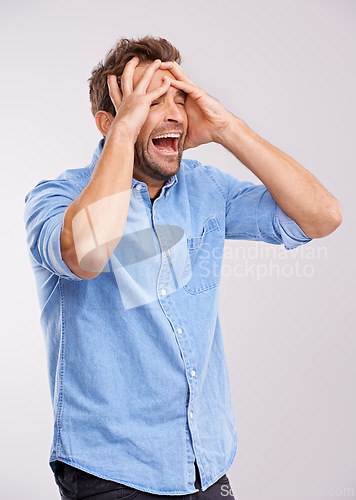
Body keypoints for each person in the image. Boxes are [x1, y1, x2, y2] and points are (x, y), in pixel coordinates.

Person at [23, 36, 342, 500]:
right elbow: (87, 255)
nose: (174, 112)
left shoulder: (206, 189)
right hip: (112, 473)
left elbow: (323, 216)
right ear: (107, 122)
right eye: (151, 100)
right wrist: (126, 132)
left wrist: (227, 127)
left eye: (180, 98)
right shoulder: (55, 199)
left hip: (205, 464)